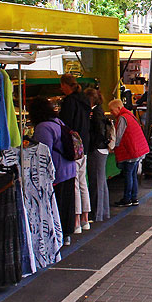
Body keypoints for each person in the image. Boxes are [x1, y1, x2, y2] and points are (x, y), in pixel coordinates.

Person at [28, 97, 76, 246]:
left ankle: (57, 236)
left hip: (58, 171)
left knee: (57, 204)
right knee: (67, 203)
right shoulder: (58, 122)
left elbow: (43, 151)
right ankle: (66, 234)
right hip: (69, 168)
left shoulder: (43, 127)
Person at [59, 74, 91, 233]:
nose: (60, 88)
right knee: (82, 182)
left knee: (74, 184)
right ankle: (86, 219)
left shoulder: (69, 102)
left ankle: (76, 221)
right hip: (84, 145)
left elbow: (64, 126)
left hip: (72, 147)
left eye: (61, 85)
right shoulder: (84, 100)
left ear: (66, 85)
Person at [109, 98, 149, 207]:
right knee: (133, 175)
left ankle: (127, 199)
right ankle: (134, 197)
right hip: (137, 150)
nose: (111, 113)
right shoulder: (130, 115)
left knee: (128, 175)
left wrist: (113, 147)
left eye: (112, 110)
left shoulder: (122, 118)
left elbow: (119, 135)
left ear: (118, 108)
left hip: (131, 152)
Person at [84, 88, 112, 224]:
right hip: (102, 150)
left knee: (96, 182)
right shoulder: (99, 111)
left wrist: (92, 145)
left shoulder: (95, 113)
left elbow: (98, 132)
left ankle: (96, 213)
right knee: (101, 182)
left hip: (97, 149)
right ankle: (103, 211)